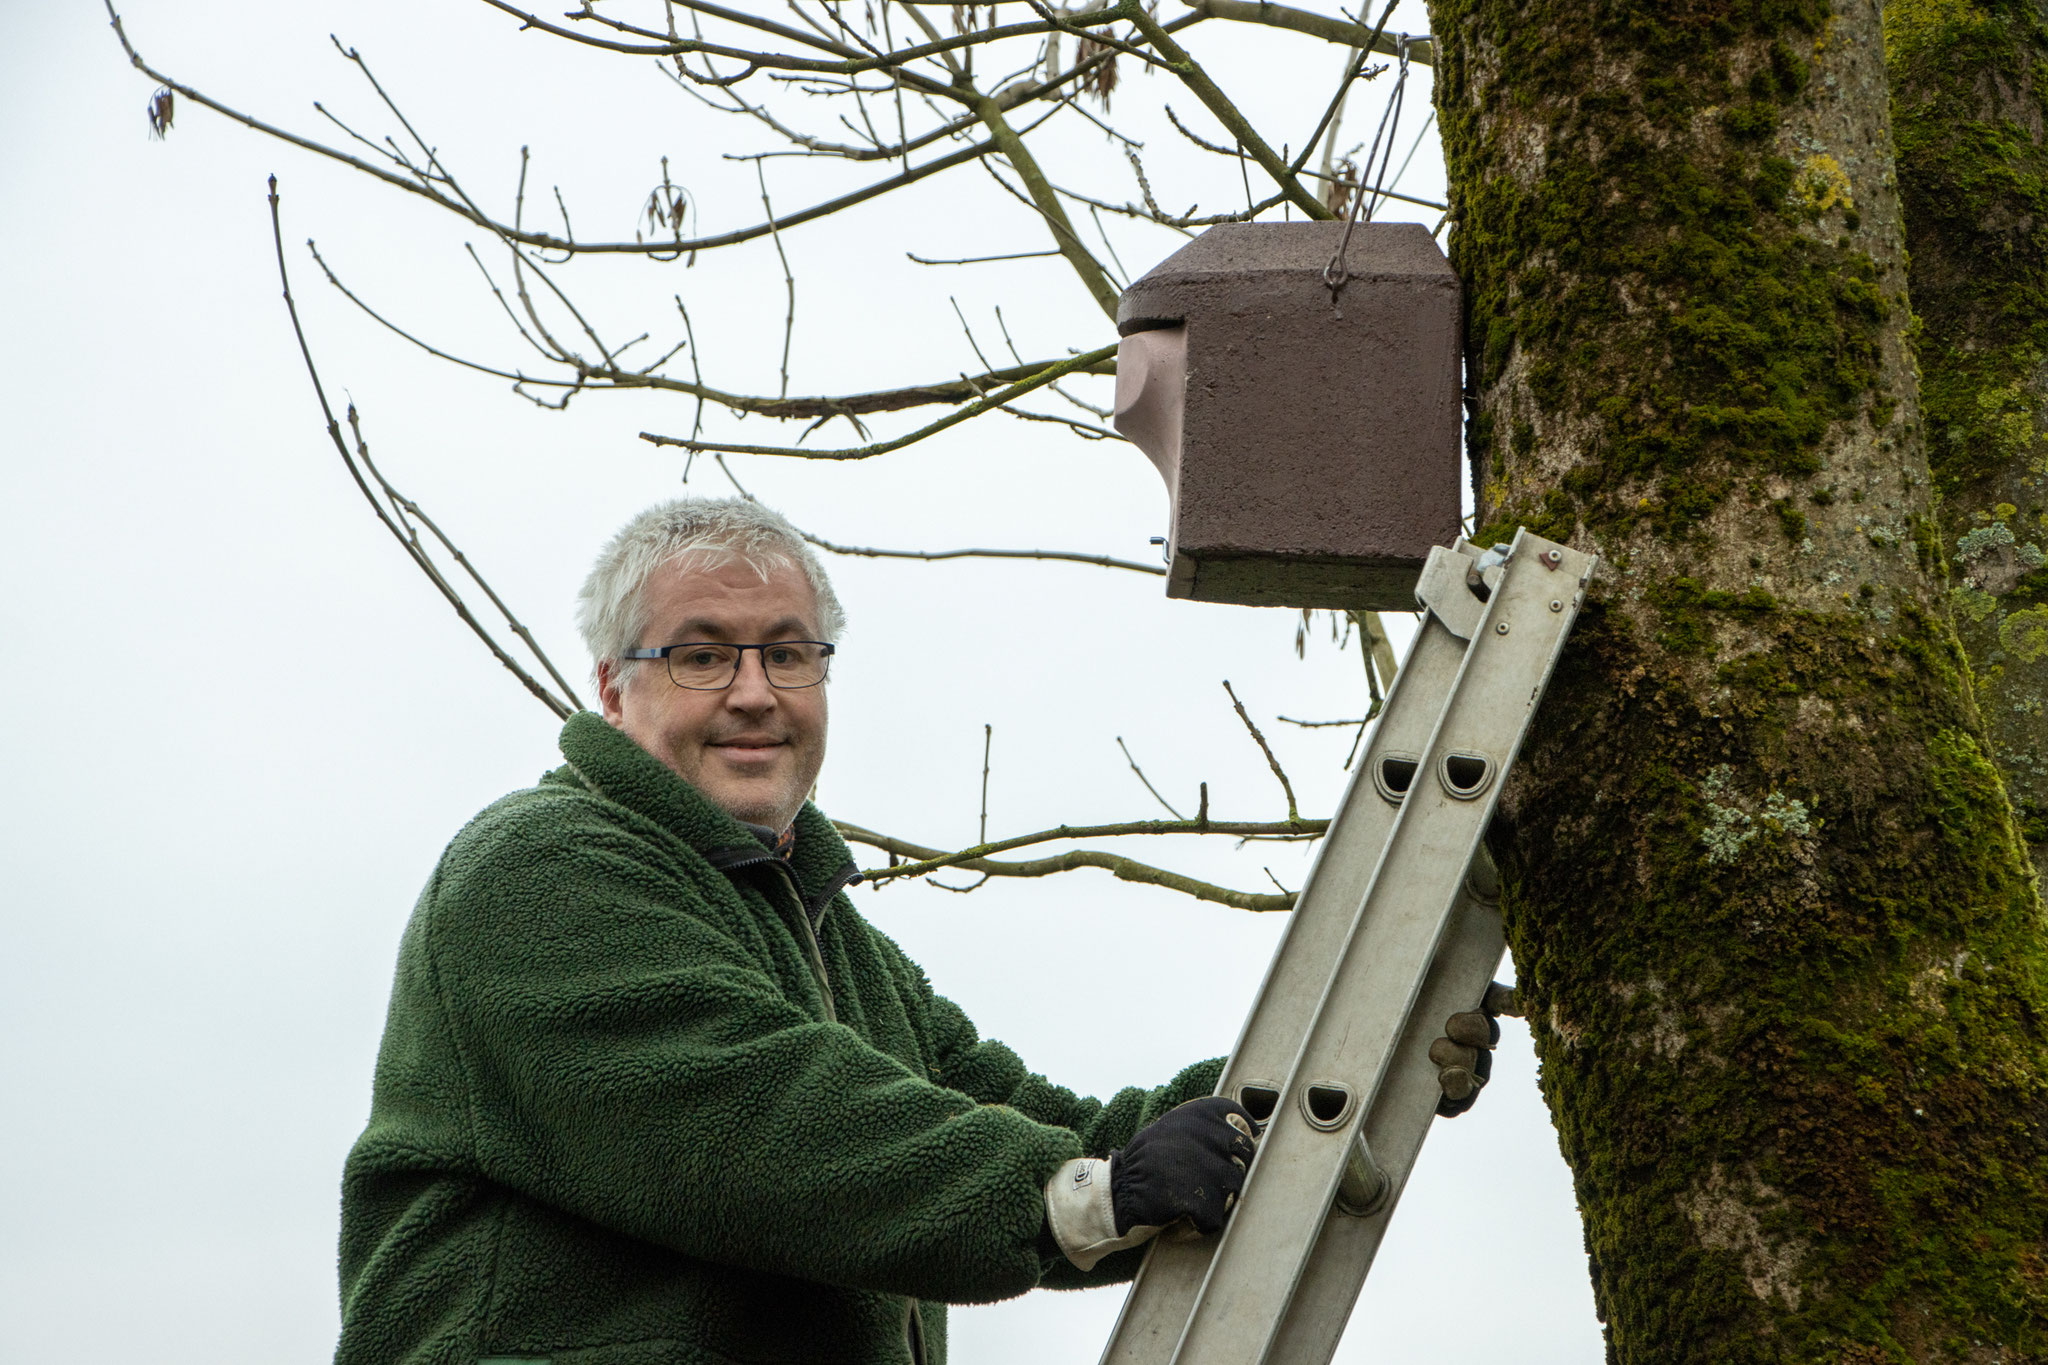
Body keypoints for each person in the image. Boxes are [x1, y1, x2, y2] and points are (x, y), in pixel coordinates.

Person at [334, 497, 1498, 1365]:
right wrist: (1074, 1192)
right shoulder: (540, 873)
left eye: (787, 653)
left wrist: (1345, 1065)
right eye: (700, 653)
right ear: (609, 686)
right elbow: (764, 1129)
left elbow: (1059, 1134)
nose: (753, 691)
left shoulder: (842, 951)